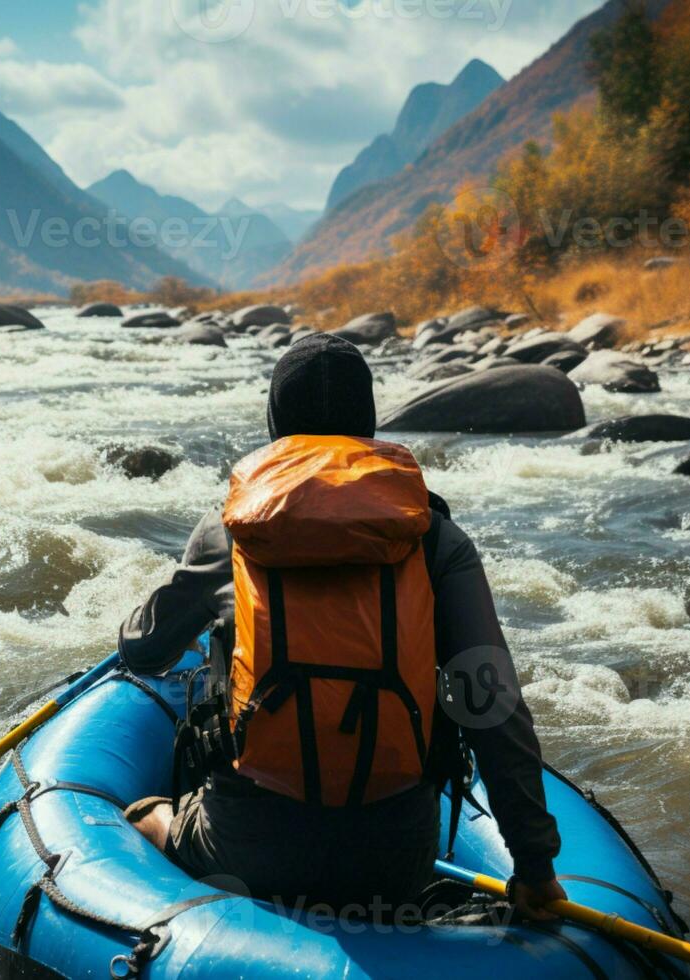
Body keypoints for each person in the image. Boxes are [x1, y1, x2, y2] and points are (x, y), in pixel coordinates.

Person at [120, 333, 566, 921]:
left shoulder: (229, 530)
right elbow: (493, 710)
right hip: (395, 859)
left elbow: (144, 651)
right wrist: (534, 868)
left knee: (146, 811)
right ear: (370, 423)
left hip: (249, 848)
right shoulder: (435, 539)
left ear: (277, 423)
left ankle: (155, 826)